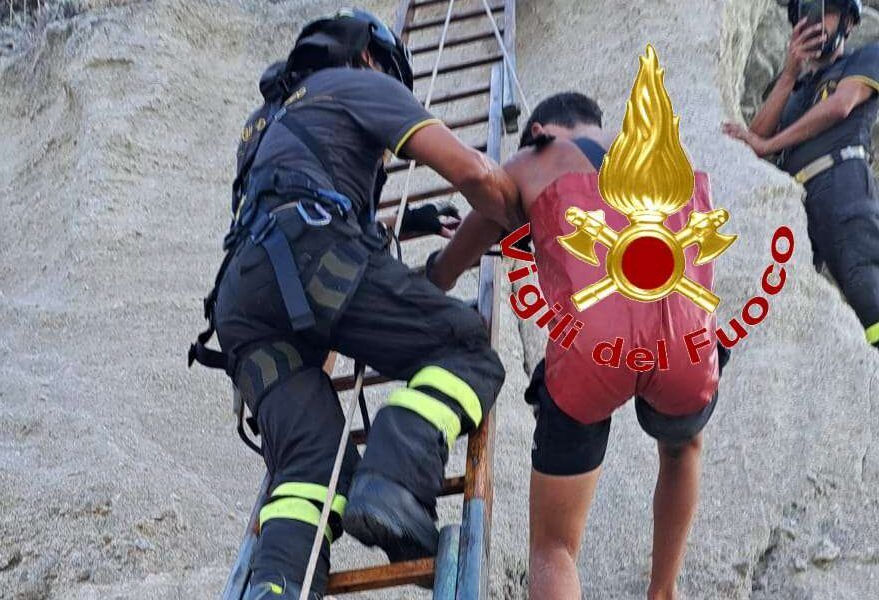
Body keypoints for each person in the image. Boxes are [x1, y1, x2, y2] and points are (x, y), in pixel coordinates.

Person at [189, 8, 514, 599]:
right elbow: (473, 172)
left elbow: (298, 198)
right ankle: (393, 474)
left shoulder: (267, 121)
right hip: (315, 262)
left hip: (242, 304)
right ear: (370, 57)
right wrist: (519, 206)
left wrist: (401, 222)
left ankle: (277, 586)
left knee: (311, 462)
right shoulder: (361, 85)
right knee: (466, 348)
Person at [428, 90, 730, 600]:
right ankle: (663, 590)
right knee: (682, 451)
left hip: (592, 349)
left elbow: (455, 261)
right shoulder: (665, 150)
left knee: (553, 549)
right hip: (685, 339)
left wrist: (427, 275)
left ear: (542, 129)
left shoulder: (532, 159)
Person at [723, 0, 879, 350]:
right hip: (795, 202)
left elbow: (841, 106)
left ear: (849, 23)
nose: (816, 21)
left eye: (827, 11)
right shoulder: (791, 87)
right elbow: (752, 140)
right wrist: (790, 73)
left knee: (864, 282)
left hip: (841, 182)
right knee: (788, 303)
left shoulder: (866, 58)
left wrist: (770, 144)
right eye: (807, 12)